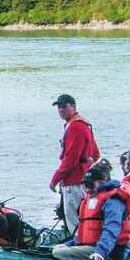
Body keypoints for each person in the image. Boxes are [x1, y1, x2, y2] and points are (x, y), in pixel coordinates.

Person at [51, 160, 130, 260]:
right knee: (58, 248)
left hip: (112, 250)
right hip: (93, 246)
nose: (87, 189)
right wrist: (71, 243)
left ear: (102, 183)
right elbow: (83, 233)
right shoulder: (91, 200)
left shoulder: (113, 201)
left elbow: (111, 229)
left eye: (91, 185)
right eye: (84, 185)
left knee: (58, 253)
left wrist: (100, 252)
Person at [48, 94, 101, 233]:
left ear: (73, 106)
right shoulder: (84, 124)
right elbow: (95, 154)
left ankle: (78, 248)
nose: (61, 110)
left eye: (64, 107)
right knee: (85, 216)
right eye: (59, 107)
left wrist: (54, 180)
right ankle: (87, 243)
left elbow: (70, 159)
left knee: (74, 221)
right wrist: (87, 165)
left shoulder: (75, 127)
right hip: (84, 181)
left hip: (73, 182)